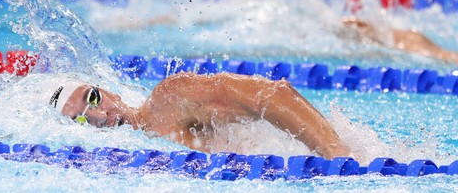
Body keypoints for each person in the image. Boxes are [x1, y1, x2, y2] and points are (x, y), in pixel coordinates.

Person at [48, 71, 350, 159]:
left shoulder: (167, 101)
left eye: (94, 98)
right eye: (82, 118)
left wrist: (339, 158)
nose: (102, 115)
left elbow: (272, 95)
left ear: (110, 92)